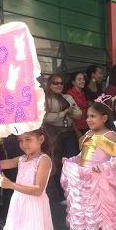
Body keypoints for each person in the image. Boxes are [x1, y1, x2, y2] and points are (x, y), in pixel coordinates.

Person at [60, 102, 116, 230]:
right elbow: (83, 156)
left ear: (104, 118)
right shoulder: (88, 134)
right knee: (81, 215)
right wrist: (72, 160)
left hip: (100, 181)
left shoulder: (110, 135)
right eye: (88, 116)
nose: (89, 119)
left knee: (110, 213)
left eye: (93, 116)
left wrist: (104, 167)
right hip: (83, 180)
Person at [42, 74, 82, 203]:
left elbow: (79, 113)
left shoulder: (68, 97)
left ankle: (73, 193)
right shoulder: (45, 99)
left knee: (72, 163)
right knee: (56, 164)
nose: (59, 85)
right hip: (53, 134)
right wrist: (64, 113)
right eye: (55, 83)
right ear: (49, 84)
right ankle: (58, 195)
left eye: (61, 83)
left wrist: (70, 112)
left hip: (68, 133)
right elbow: (46, 118)